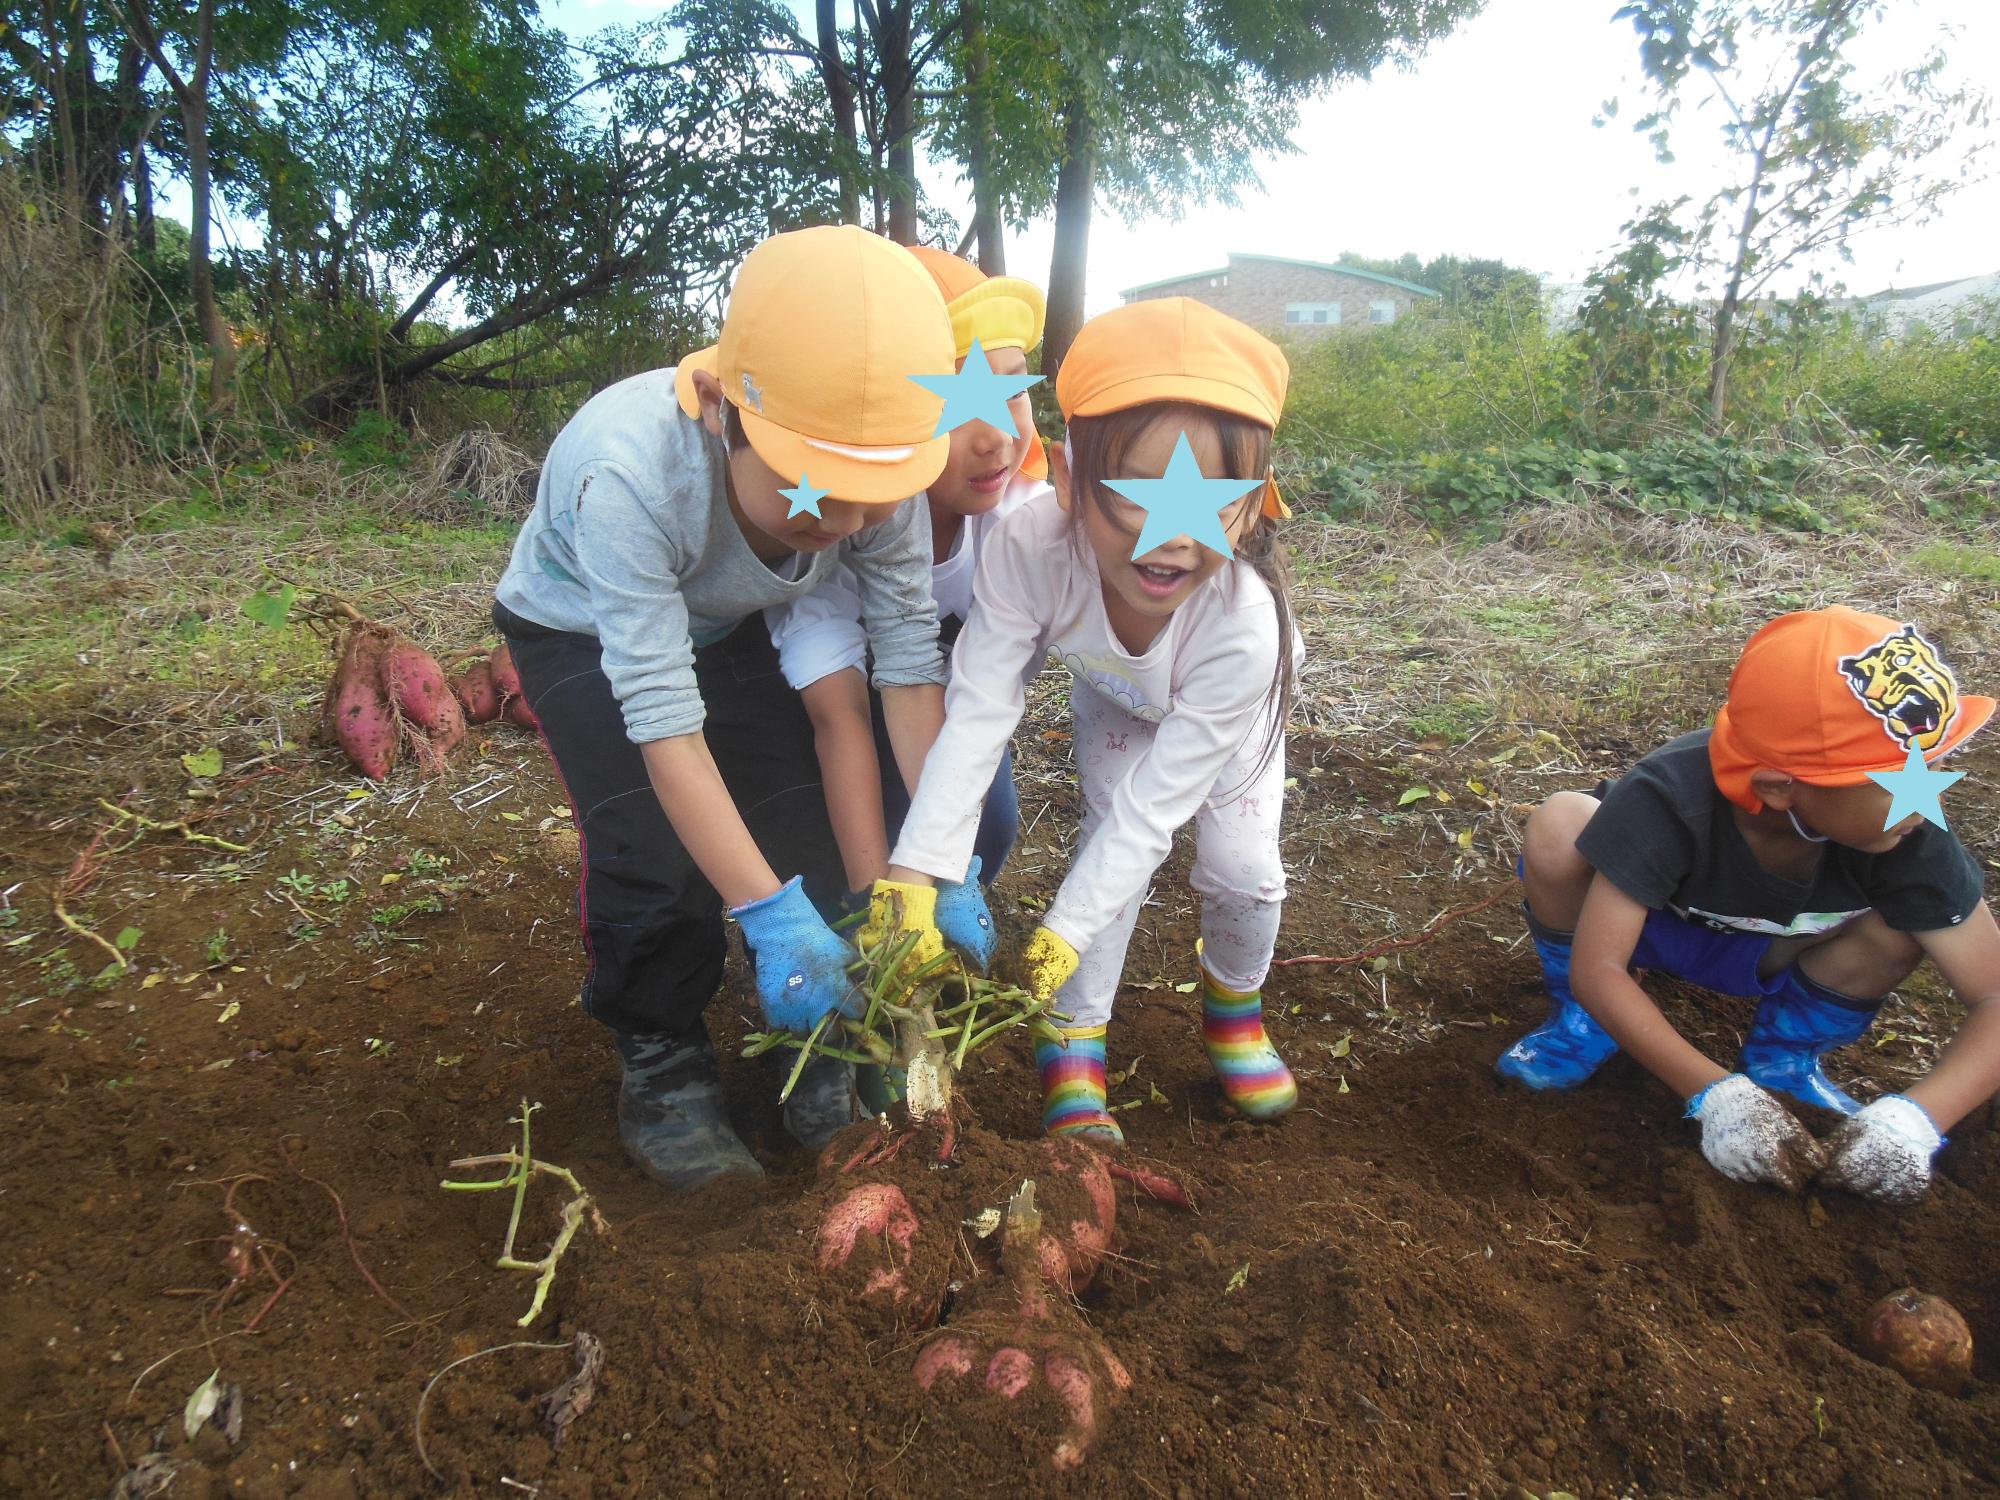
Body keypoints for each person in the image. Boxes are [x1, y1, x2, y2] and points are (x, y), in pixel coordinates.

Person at [491, 225, 965, 1189]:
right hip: (585, 628)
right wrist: (765, 915)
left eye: (872, 499)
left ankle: (828, 1041)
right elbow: (665, 723)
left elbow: (910, 667)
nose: (849, 526)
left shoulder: (882, 471)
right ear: (724, 409)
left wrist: (931, 862)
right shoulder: (631, 473)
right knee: (656, 858)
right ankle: (662, 1059)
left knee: (811, 829)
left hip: (730, 616)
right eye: (821, 496)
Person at [860, 297, 1304, 1144]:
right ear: (1067, 477)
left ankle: (1236, 1004)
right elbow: (980, 710)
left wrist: (1057, 931)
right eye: (1135, 497)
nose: (1170, 540)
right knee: (1110, 850)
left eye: (1213, 504)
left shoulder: (1245, 627)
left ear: (1254, 505)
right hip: (1117, 698)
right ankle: (1072, 1037)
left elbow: (1154, 813)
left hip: (1227, 716)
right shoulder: (1028, 548)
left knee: (1242, 868)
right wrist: (917, 871)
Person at [1495, 606, 1999, 1204]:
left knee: (1904, 927)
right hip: (1647, 930)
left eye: (1937, 759)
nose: (1928, 789)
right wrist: (1714, 1094)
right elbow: (1598, 966)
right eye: (1900, 775)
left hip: (1779, 953)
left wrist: (1917, 1119)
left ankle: (1785, 1060)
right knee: (1560, 824)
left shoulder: (1908, 834)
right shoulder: (1668, 798)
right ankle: (1583, 1024)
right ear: (1779, 785)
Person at [765, 248, 1052, 910]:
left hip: (939, 702)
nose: (997, 437)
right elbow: (837, 718)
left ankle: (947, 911)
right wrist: (876, 895)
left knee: (988, 822)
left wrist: (941, 865)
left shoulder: (1026, 524)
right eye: (955, 402)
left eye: (1010, 389)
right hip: (816, 696)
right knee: (820, 849)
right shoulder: (840, 520)